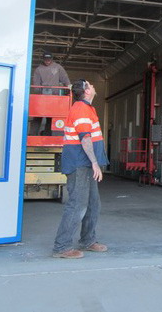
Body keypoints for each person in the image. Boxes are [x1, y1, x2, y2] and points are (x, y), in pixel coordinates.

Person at [52, 79, 109, 259]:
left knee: (93, 204)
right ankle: (61, 247)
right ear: (86, 91)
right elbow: (85, 138)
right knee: (77, 205)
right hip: (80, 164)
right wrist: (94, 162)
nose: (93, 86)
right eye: (90, 85)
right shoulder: (81, 109)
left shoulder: (87, 108)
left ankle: (87, 241)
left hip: (85, 164)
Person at [30, 51, 71, 136]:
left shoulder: (58, 67)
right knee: (37, 116)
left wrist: (69, 87)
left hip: (54, 98)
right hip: (42, 98)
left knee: (51, 118)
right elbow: (36, 85)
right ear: (43, 59)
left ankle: (47, 135)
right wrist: (39, 93)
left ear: (52, 59)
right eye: (46, 59)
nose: (47, 61)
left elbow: (65, 78)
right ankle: (32, 135)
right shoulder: (39, 69)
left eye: (49, 59)